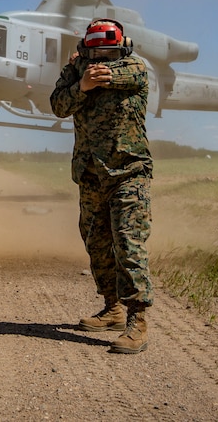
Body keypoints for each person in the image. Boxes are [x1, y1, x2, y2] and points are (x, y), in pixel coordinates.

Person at [49, 19, 153, 355]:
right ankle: (112, 308)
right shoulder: (78, 72)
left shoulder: (133, 67)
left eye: (109, 52)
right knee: (97, 242)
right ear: (85, 49)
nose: (102, 60)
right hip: (91, 174)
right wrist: (81, 85)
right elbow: (58, 105)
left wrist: (98, 76)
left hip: (129, 173)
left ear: (122, 48)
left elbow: (132, 74)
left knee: (128, 242)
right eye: (96, 52)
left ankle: (137, 320)